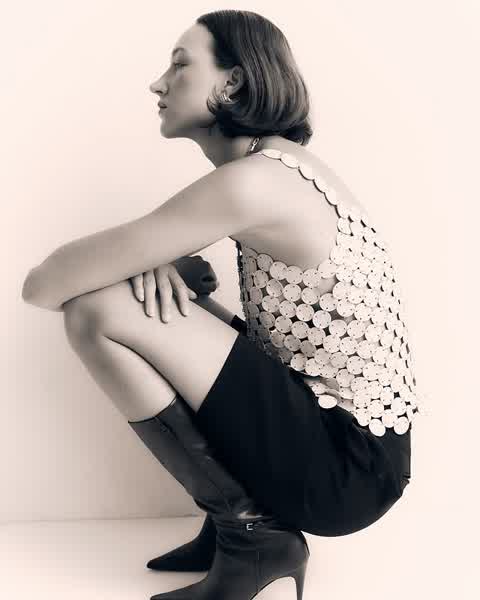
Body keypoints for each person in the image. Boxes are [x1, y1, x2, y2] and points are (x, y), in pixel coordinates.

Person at [22, 9, 424, 600]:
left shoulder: (254, 181)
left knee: (96, 311)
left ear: (232, 82)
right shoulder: (277, 168)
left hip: (346, 468)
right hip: (352, 450)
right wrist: (160, 268)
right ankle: (236, 526)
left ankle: (253, 536)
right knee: (125, 302)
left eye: (179, 65)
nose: (158, 83)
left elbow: (42, 286)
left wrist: (142, 265)